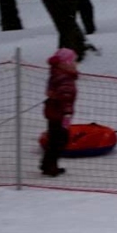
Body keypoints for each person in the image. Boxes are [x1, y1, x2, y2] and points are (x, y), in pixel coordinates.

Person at [40, 48, 78, 176]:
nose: (75, 64)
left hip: (53, 111)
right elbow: (66, 96)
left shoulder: (56, 73)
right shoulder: (65, 77)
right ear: (66, 63)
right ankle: (50, 166)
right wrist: (66, 114)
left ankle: (47, 164)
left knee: (54, 139)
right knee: (60, 140)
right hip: (60, 113)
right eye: (73, 61)